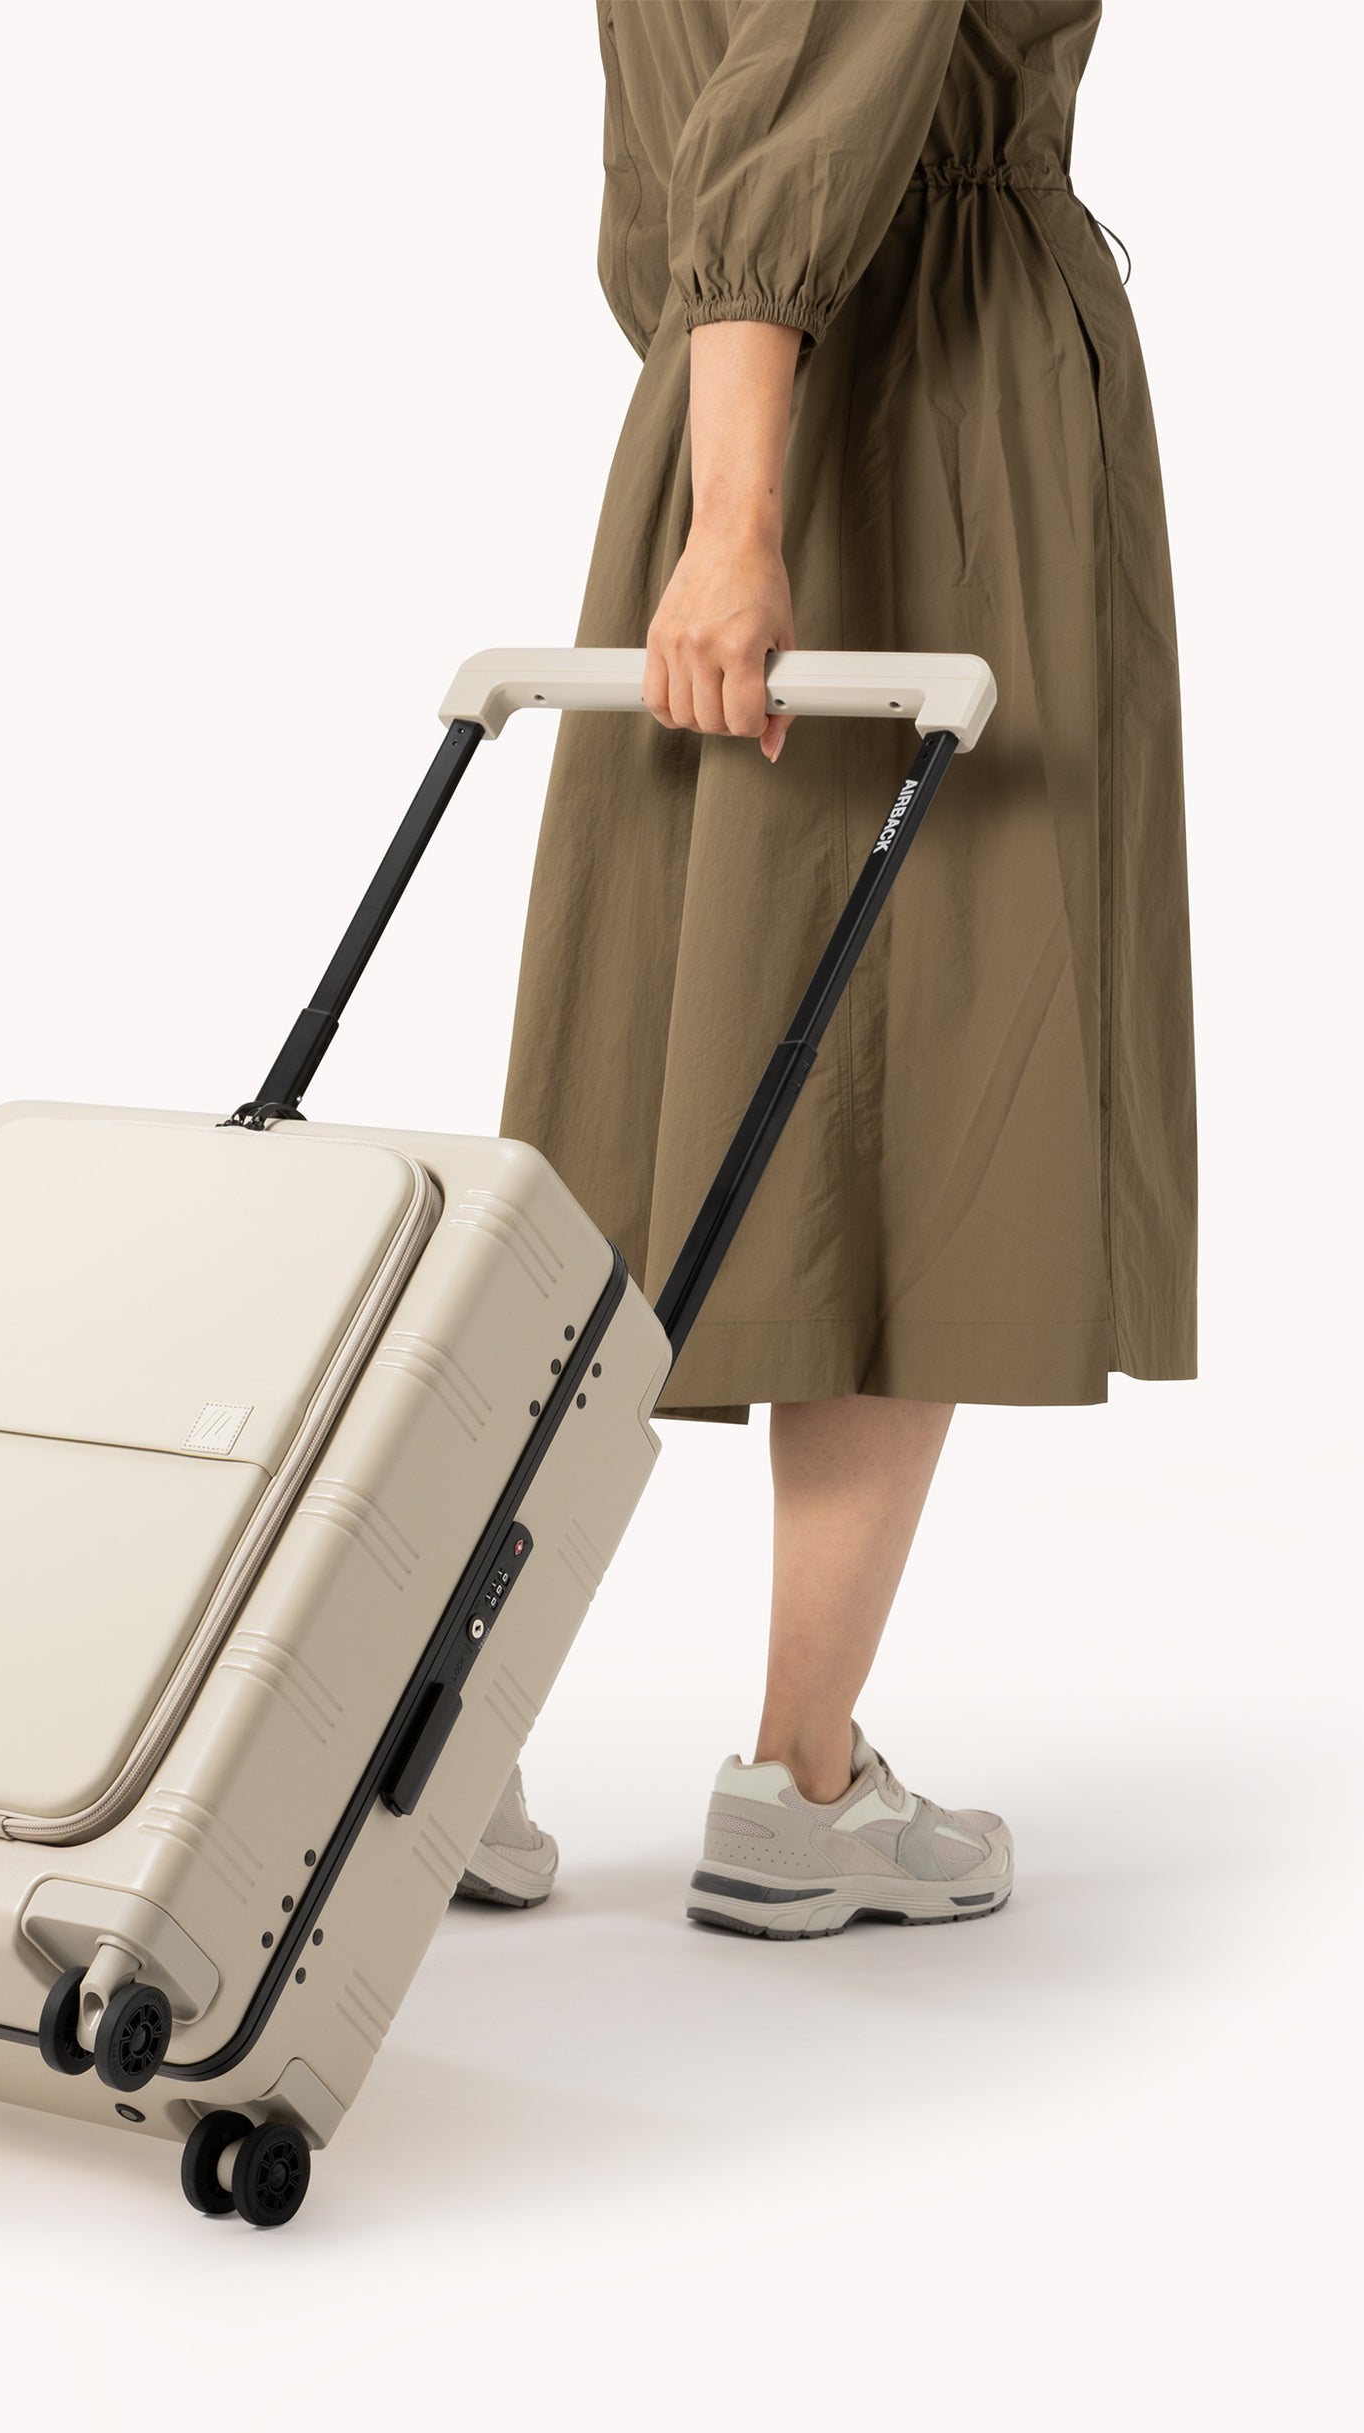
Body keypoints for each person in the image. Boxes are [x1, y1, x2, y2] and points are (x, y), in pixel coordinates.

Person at [454, 0, 1194, 1935]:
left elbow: (670, 172)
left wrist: (711, 455)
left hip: (730, 412)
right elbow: (805, 122)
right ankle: (797, 1777)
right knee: (925, 1067)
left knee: (654, 1067)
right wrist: (743, 514)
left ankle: (428, 1733)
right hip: (931, 426)